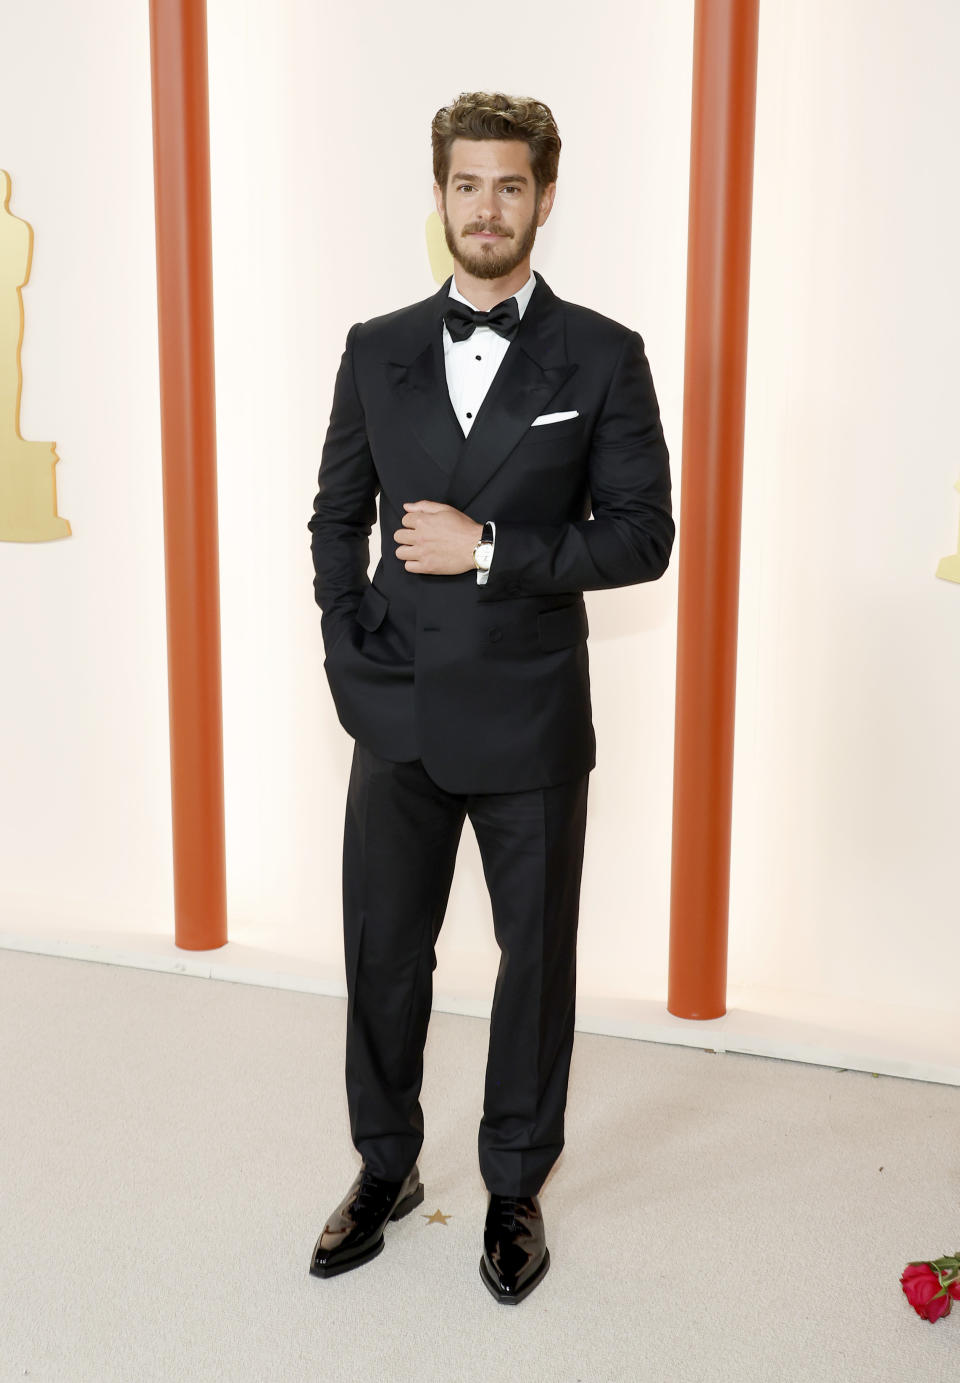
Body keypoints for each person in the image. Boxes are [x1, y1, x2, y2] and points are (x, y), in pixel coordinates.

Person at [306, 90, 674, 1304]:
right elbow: (336, 517)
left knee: (533, 962)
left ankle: (514, 1185)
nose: (487, 206)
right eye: (467, 184)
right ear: (440, 197)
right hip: (398, 710)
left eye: (510, 185)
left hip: (528, 715)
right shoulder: (374, 344)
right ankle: (385, 1169)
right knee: (384, 955)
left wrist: (487, 551)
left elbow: (640, 538)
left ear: (545, 199)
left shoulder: (605, 355)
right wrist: (349, 645)